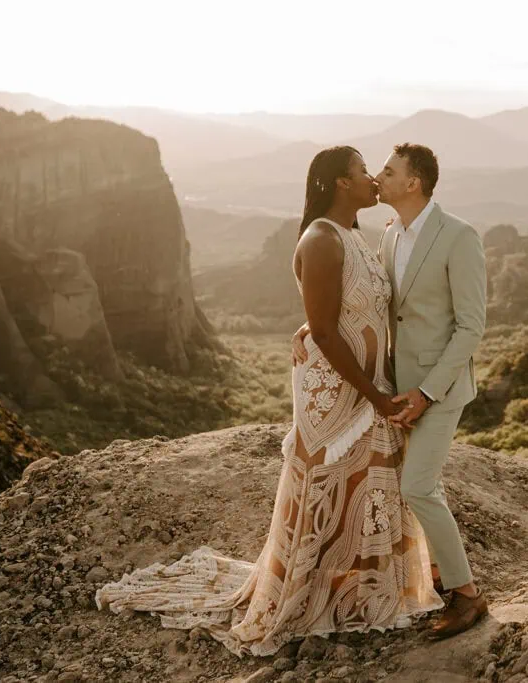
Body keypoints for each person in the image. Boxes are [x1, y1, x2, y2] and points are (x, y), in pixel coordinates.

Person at [95, 146, 444, 657]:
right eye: (363, 171)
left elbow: (339, 310)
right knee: (333, 481)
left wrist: (369, 373)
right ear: (340, 184)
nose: (373, 180)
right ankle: (310, 595)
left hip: (365, 383)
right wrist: (374, 393)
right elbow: (326, 332)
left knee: (365, 484)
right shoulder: (322, 238)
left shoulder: (352, 234)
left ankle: (360, 594)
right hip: (337, 389)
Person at [294, 143, 489, 640]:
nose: (378, 177)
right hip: (393, 385)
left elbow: (470, 328)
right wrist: (310, 326)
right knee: (416, 485)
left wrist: (425, 392)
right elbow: (371, 300)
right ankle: (439, 573)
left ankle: (467, 597)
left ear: (414, 183)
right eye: (372, 169)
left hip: (436, 388)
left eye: (388, 170)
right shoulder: (387, 237)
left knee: (418, 486)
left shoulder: (459, 237)